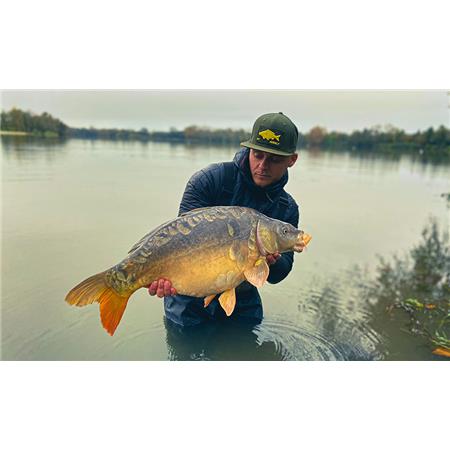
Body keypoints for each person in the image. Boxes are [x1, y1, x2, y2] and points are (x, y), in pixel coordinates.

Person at [147, 112, 300, 327]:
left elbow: (279, 275)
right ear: (248, 149)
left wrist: (271, 262)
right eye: (257, 154)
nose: (263, 165)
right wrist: (160, 276)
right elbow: (180, 241)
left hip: (242, 292)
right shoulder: (210, 180)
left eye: (274, 159)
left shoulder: (287, 209)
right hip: (191, 291)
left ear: (292, 160)